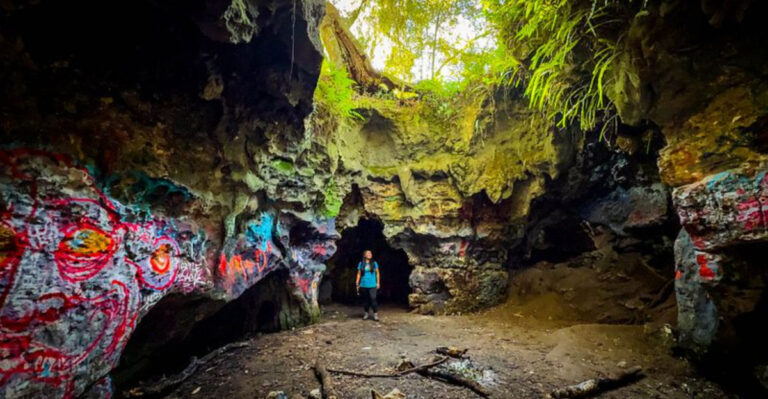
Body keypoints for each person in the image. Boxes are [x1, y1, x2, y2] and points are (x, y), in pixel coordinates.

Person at [356, 249, 380, 321]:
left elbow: (377, 273)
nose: (370, 254)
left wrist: (378, 282)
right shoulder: (361, 264)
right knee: (366, 300)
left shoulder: (374, 263)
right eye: (368, 253)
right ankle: (366, 313)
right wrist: (357, 283)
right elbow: (359, 274)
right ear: (364, 255)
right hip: (363, 284)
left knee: (373, 298)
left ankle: (375, 314)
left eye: (370, 253)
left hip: (372, 284)